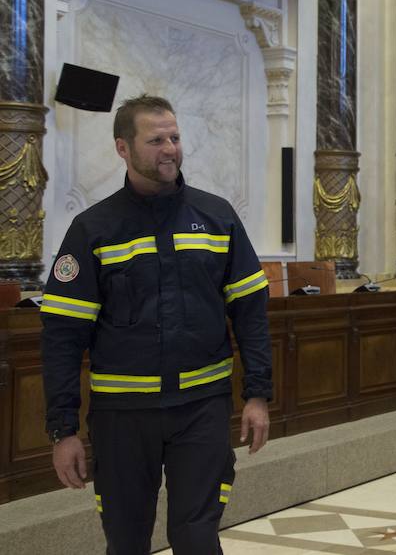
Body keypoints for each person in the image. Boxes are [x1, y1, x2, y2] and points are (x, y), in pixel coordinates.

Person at [40, 95, 272, 554]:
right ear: (122, 148)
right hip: (122, 417)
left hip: (201, 409)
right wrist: (62, 430)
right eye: (155, 140)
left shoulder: (218, 217)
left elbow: (251, 314)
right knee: (126, 542)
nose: (170, 149)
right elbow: (62, 339)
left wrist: (258, 395)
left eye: (175, 138)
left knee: (197, 537)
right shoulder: (93, 229)